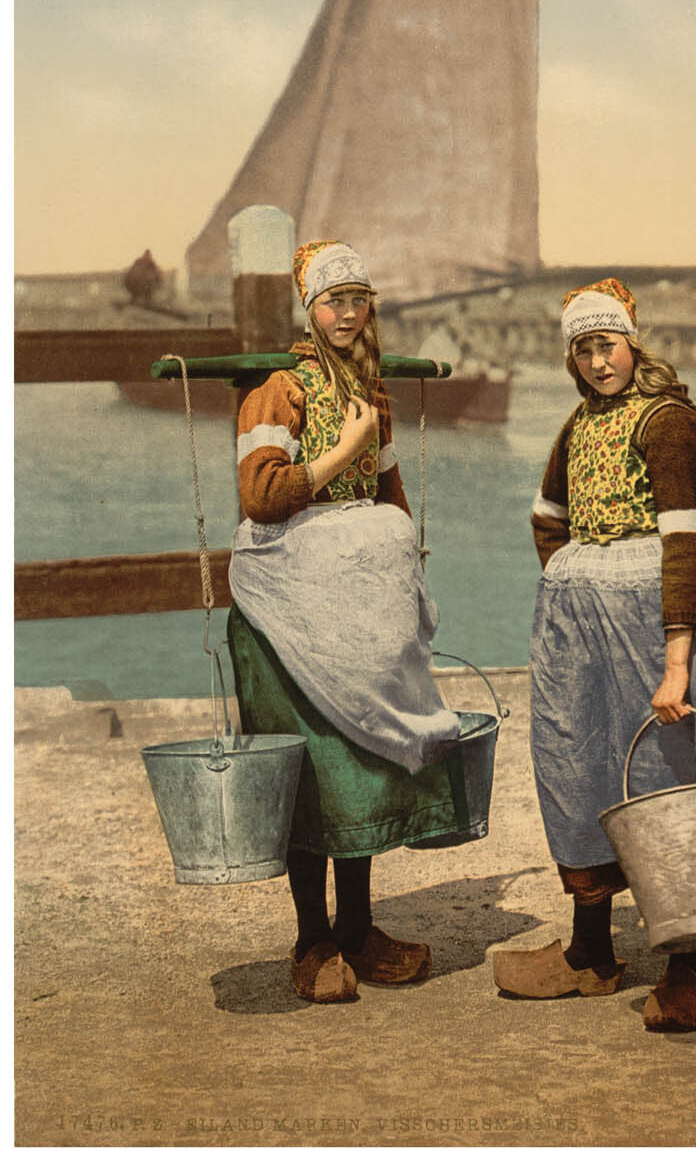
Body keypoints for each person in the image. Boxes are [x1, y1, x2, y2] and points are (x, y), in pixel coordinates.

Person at [492, 278, 696, 1032]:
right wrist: (575, 584)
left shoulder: (670, 426)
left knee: (674, 777)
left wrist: (677, 662)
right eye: (583, 350)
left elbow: (688, 547)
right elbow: (548, 517)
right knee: (578, 768)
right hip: (581, 636)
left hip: (662, 626)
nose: (598, 363)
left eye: (608, 345)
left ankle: (690, 965)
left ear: (634, 343)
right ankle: (591, 953)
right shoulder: (578, 425)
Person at [227, 239, 469, 1004]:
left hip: (354, 611)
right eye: (334, 300)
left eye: (359, 299)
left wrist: (404, 584)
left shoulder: (372, 391)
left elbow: (389, 492)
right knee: (309, 773)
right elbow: (262, 495)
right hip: (285, 611)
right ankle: (313, 938)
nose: (347, 313)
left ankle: (358, 927)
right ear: (310, 308)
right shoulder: (278, 391)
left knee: (361, 764)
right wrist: (345, 448)